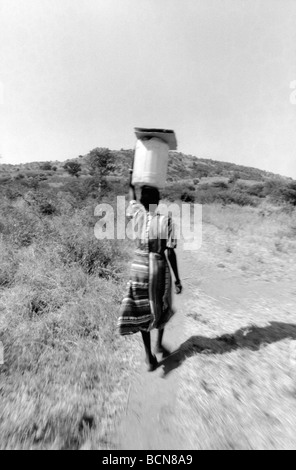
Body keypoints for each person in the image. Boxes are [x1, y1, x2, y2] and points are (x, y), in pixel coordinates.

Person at [118, 169, 183, 371]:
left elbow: (131, 193)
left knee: (142, 310)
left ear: (142, 202)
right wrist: (178, 279)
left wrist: (132, 175)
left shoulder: (136, 213)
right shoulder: (166, 221)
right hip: (157, 266)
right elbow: (169, 252)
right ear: (159, 200)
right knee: (162, 305)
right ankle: (159, 344)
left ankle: (149, 357)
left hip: (138, 267)